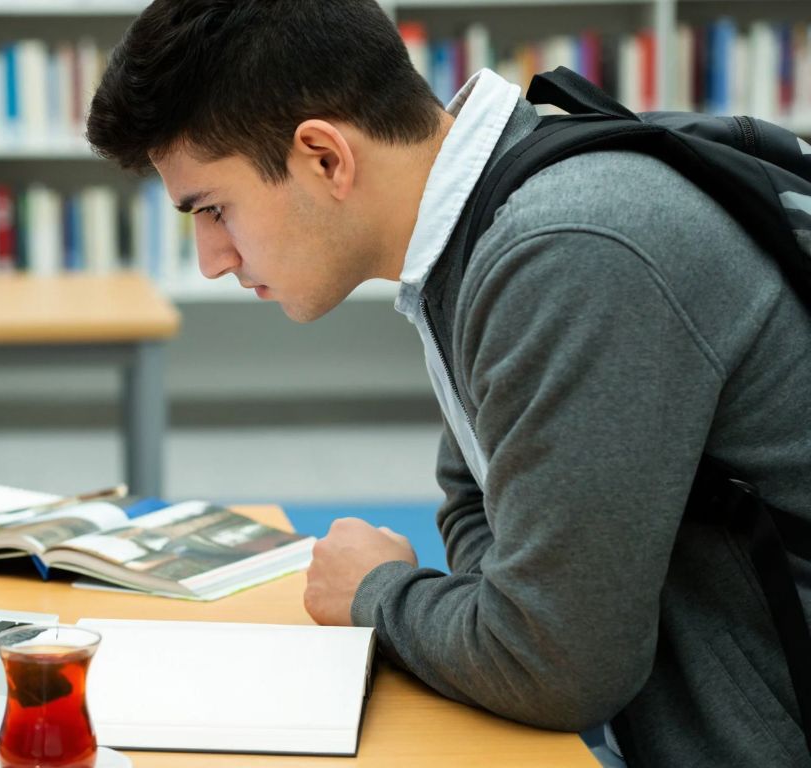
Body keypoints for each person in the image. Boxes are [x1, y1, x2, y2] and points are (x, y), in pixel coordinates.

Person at [84, 1, 811, 766]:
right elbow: (474, 498)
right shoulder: (480, 231)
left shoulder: (565, 251)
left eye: (214, 210)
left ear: (325, 157)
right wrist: (499, 616)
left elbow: (557, 668)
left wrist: (381, 594)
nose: (211, 258)